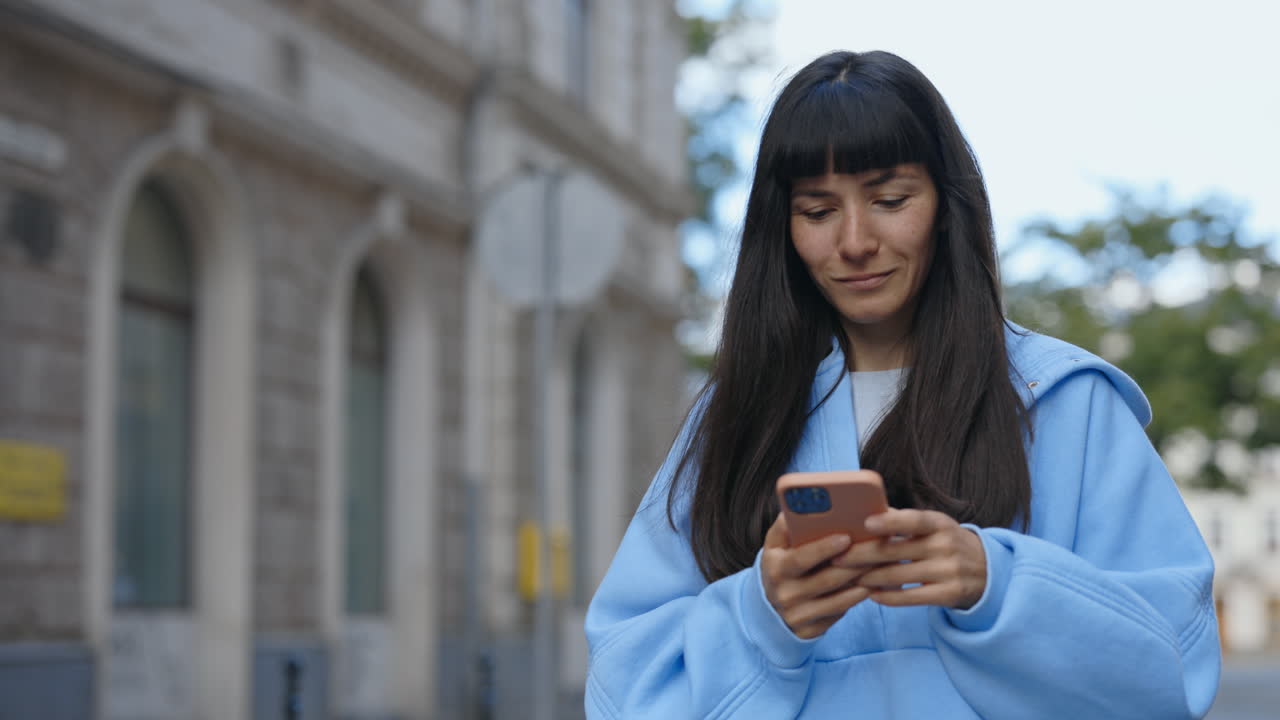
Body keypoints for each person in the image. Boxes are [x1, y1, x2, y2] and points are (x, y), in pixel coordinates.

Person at [584, 50, 1220, 719]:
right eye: (818, 210)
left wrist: (996, 586)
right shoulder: (731, 416)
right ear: (784, 228)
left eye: (890, 200)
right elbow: (624, 684)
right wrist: (760, 618)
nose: (855, 240)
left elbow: (1175, 667)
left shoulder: (1065, 401)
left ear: (947, 205)